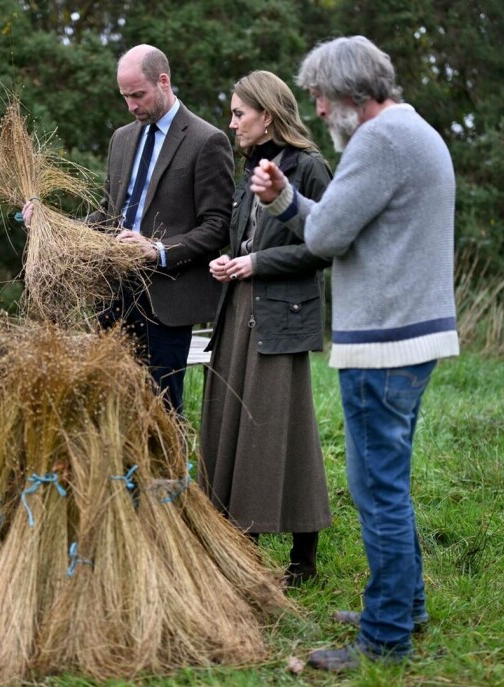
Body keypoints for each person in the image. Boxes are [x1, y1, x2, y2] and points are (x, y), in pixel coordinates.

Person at [250, 36, 458, 670]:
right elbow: (342, 222)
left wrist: (282, 201)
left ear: (350, 95)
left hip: (384, 342)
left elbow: (325, 234)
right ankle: (405, 604)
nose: (315, 109)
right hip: (415, 334)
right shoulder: (413, 129)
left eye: (318, 96)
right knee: (390, 484)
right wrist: (291, 199)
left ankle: (385, 637)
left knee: (377, 492)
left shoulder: (377, 142)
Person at [198, 71, 333, 588]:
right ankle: (241, 553)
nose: (231, 123)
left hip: (282, 318)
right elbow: (249, 237)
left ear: (267, 116)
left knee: (284, 431)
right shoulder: (250, 166)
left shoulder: (311, 167)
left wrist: (258, 264)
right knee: (231, 423)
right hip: (237, 312)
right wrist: (231, 260)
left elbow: (325, 247)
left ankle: (303, 562)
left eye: (238, 114)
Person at [81, 44, 235, 414]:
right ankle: (120, 475)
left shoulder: (207, 140)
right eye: (125, 97)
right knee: (111, 406)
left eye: (138, 95)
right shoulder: (121, 139)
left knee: (161, 410)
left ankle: (167, 475)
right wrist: (56, 226)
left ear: (163, 82)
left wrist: (158, 250)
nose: (131, 106)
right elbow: (107, 215)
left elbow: (218, 226)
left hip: (167, 301)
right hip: (113, 296)